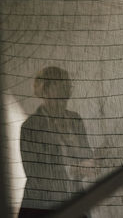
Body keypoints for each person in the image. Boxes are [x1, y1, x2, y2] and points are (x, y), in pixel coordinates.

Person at [19, 67, 93, 218]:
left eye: (66, 90)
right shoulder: (30, 127)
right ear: (44, 92)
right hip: (43, 206)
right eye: (59, 90)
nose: (64, 96)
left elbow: (86, 154)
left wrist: (91, 163)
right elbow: (34, 174)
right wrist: (70, 170)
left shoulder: (75, 119)